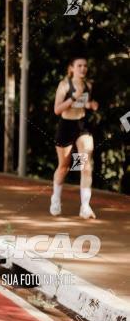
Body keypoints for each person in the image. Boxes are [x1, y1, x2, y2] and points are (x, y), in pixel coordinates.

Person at [51, 56, 99, 219]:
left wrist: (90, 105)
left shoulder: (88, 85)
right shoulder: (64, 85)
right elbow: (57, 110)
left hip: (82, 127)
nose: (83, 68)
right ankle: (55, 199)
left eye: (85, 66)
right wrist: (73, 97)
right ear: (71, 68)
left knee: (85, 165)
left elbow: (84, 103)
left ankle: (85, 207)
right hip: (66, 126)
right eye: (79, 66)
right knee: (64, 167)